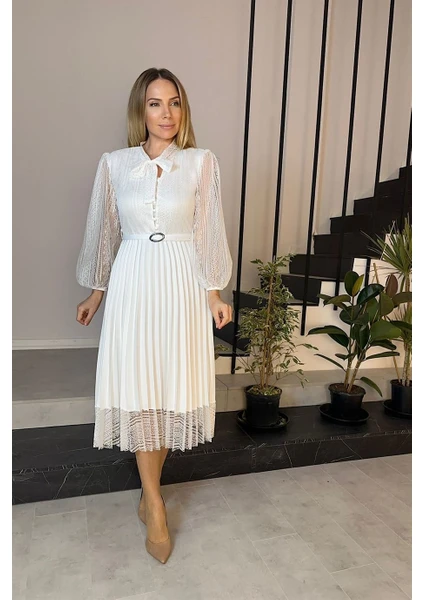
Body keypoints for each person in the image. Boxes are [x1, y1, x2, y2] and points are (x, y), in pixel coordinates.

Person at [75, 67, 233, 564]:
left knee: (169, 391)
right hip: (134, 279)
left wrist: (214, 294)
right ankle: (156, 504)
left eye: (175, 103)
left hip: (182, 282)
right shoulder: (115, 164)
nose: (167, 113)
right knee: (142, 389)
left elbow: (209, 231)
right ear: (140, 111)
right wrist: (96, 292)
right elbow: (104, 230)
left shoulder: (201, 162)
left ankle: (149, 495)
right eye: (155, 103)